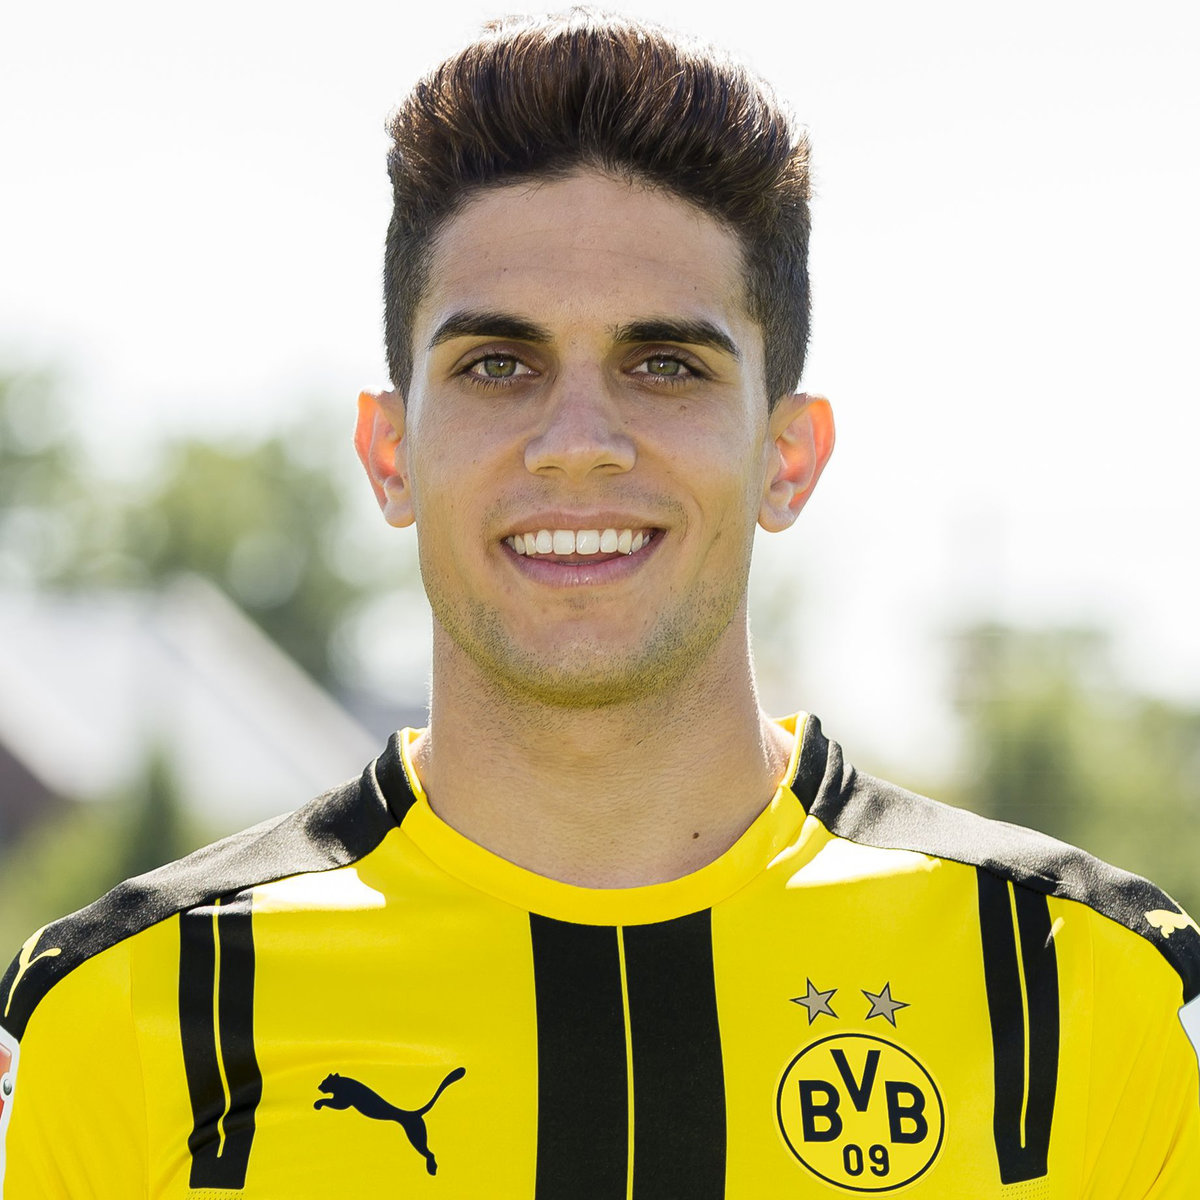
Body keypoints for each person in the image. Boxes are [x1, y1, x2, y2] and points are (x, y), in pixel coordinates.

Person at [1, 10, 1197, 1197]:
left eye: (665, 365)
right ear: (390, 454)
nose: (577, 442)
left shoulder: (1087, 992)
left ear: (787, 458)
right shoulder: (124, 1015)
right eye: (497, 365)